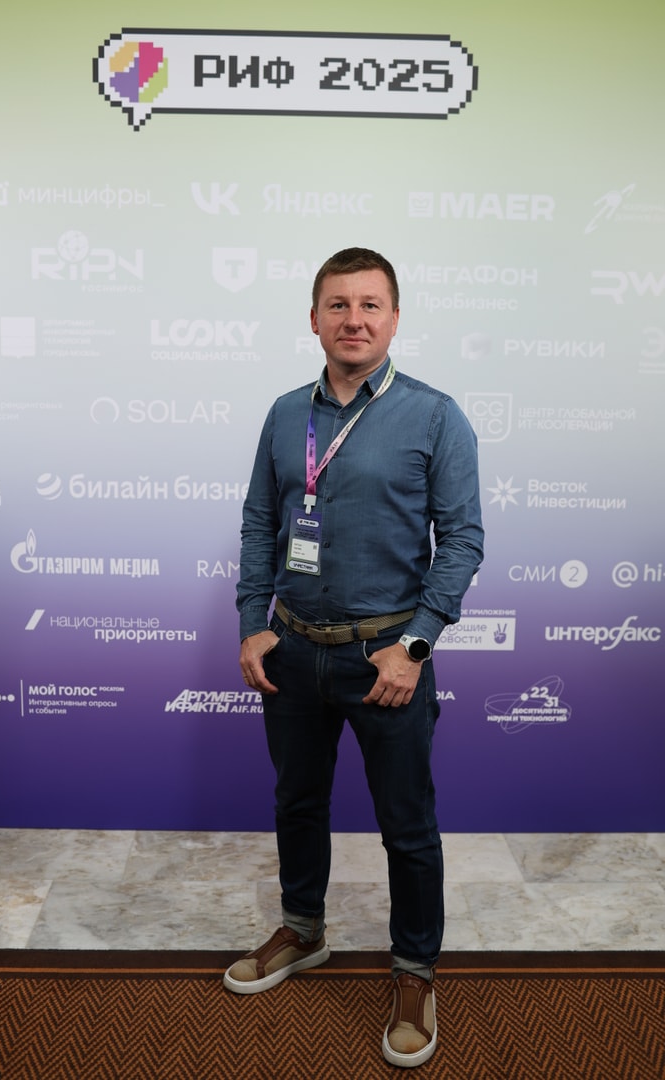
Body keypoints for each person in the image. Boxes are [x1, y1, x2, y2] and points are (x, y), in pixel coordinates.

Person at [225, 247, 484, 1068]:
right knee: (297, 803)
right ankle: (303, 931)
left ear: (395, 319)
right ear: (314, 319)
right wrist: (253, 622)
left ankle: (415, 970)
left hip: (387, 660)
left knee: (407, 825)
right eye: (338, 305)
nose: (354, 319)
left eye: (371, 304)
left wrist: (415, 647)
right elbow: (259, 523)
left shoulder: (434, 416)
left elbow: (463, 541)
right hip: (294, 651)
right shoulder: (283, 415)